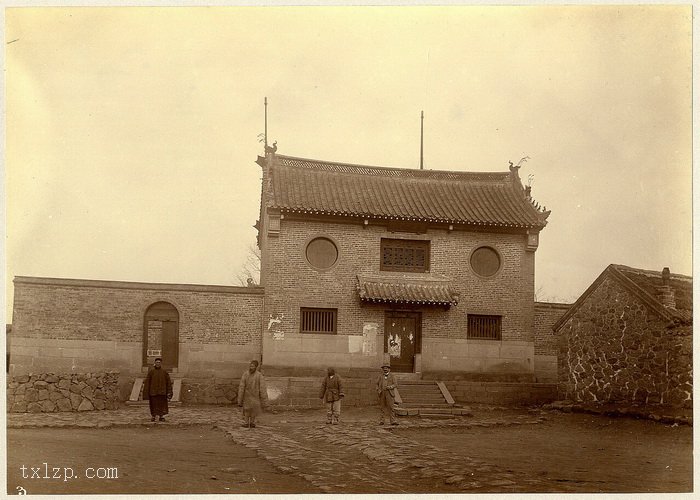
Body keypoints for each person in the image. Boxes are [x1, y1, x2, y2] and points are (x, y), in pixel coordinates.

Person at [238, 360, 267, 428]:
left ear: (256, 367)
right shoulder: (245, 374)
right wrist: (240, 399)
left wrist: (264, 400)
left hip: (255, 396)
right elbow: (242, 386)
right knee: (246, 410)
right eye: (250, 366)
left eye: (253, 366)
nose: (251, 367)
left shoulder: (259, 376)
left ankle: (252, 422)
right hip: (247, 395)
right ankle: (246, 422)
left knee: (254, 410)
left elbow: (262, 388)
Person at [143, 357, 173, 422]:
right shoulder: (151, 372)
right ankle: (153, 416)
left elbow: (168, 382)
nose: (158, 364)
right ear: (155, 363)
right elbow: (147, 382)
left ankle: (161, 416)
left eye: (159, 362)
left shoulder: (164, 372)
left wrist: (169, 391)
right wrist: (146, 392)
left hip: (162, 392)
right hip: (153, 392)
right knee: (153, 404)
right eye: (157, 362)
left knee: (162, 404)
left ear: (161, 363)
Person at [376, 360, 399, 425]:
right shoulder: (380, 376)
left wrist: (390, 387)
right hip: (382, 393)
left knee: (391, 407)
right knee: (382, 407)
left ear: (389, 369)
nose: (385, 369)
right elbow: (377, 384)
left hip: (390, 393)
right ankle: (382, 421)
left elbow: (395, 384)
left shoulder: (392, 376)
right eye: (384, 368)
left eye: (386, 368)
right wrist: (378, 390)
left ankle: (393, 421)